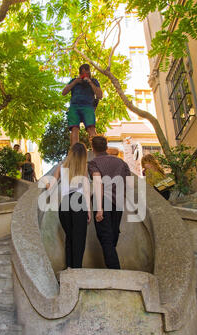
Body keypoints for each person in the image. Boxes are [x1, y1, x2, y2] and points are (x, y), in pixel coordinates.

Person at [88, 136, 132, 269]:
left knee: (105, 237)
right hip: (117, 202)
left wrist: (99, 208)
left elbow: (97, 182)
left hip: (102, 200)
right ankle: (114, 267)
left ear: (93, 148)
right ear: (106, 147)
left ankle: (115, 271)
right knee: (112, 235)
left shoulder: (93, 163)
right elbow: (129, 184)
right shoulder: (121, 163)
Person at [47, 143, 91, 269]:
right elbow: (86, 190)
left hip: (65, 204)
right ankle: (77, 272)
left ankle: (69, 269)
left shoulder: (61, 167)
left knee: (70, 239)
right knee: (79, 240)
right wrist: (88, 209)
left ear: (70, 153)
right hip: (79, 201)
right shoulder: (84, 167)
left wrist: (47, 185)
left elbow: (51, 189)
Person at [62, 64, 103, 146]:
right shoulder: (74, 80)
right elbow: (64, 92)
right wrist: (75, 82)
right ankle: (75, 152)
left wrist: (90, 82)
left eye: (87, 73)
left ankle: (97, 150)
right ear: (80, 74)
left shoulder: (94, 81)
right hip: (74, 107)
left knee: (91, 128)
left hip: (88, 107)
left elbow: (99, 95)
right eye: (83, 73)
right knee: (74, 128)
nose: (85, 75)